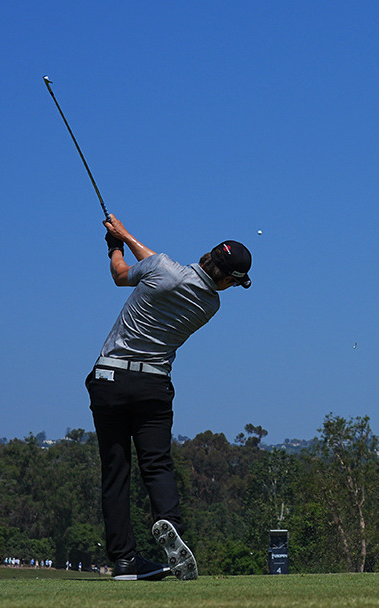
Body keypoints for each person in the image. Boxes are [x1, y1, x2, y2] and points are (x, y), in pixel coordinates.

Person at [87, 214, 252, 581]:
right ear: (225, 280)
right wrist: (126, 235)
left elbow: (121, 273)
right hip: (153, 386)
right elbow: (160, 264)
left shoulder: (162, 268)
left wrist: (115, 244)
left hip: (110, 376)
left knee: (116, 471)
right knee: (157, 465)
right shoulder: (210, 306)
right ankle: (170, 524)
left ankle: (125, 561)